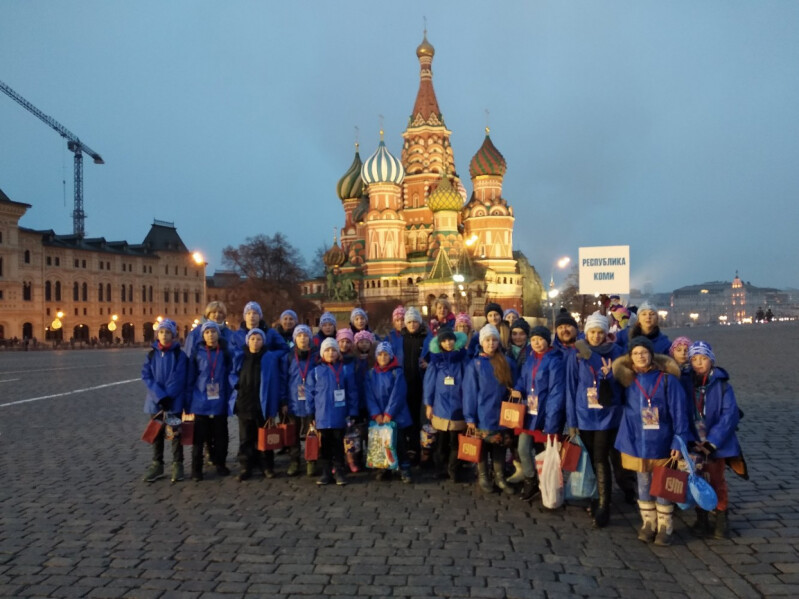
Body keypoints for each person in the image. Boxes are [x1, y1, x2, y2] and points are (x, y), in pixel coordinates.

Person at [613, 336, 689, 546]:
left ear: (651, 355)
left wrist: (679, 440)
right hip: (636, 441)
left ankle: (665, 525)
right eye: (636, 353)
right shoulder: (627, 380)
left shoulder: (667, 380)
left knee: (662, 483)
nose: (640, 356)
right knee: (643, 482)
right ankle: (648, 522)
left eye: (644, 352)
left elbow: (679, 413)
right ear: (630, 357)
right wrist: (605, 378)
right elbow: (611, 400)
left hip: (662, 441)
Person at [564, 313, 625, 526]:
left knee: (600, 457)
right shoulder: (576, 354)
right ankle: (594, 495)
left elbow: (624, 384)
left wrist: (609, 376)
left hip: (608, 414)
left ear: (606, 333)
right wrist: (572, 421)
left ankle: (604, 505)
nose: (596, 336)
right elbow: (571, 387)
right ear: (586, 332)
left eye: (600, 332)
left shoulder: (617, 352)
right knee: (590, 457)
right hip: (584, 414)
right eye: (593, 332)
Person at [683, 341, 742, 539]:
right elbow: (681, 413)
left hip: (716, 444)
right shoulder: (685, 383)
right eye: (694, 359)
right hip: (694, 441)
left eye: (703, 358)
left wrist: (712, 442)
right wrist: (690, 440)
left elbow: (729, 416)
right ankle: (701, 518)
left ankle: (721, 518)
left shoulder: (722, 385)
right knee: (697, 479)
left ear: (711, 360)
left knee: (717, 479)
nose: (699, 363)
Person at [512, 326, 565, 502]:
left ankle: (546, 483)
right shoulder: (530, 359)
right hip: (529, 412)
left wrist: (551, 421)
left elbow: (556, 392)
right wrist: (518, 389)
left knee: (543, 452)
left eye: (540, 339)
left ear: (547, 341)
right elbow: (523, 379)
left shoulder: (555, 361)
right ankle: (530, 479)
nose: (536, 343)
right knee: (523, 448)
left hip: (545, 413)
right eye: (533, 339)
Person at [463, 324, 518, 495]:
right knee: (482, 447)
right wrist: (470, 417)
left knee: (499, 446)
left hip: (502, 413)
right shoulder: (475, 364)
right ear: (482, 342)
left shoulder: (507, 362)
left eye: (494, 340)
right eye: (487, 340)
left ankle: (499, 477)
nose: (491, 343)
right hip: (482, 413)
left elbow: (515, 384)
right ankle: (483, 476)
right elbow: (470, 392)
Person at [231, 328, 282, 481]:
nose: (255, 342)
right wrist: (236, 384)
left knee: (265, 436)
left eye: (259, 339)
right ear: (248, 341)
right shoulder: (241, 356)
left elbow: (275, 382)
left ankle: (266, 465)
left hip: (262, 404)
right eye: (252, 339)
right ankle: (246, 466)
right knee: (245, 437)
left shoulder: (269, 357)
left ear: (263, 342)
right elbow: (232, 373)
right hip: (244, 402)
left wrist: (273, 407)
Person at [186, 321, 235, 481]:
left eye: (213, 332)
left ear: (218, 334)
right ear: (203, 335)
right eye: (207, 332)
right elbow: (190, 378)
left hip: (220, 400)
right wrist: (188, 401)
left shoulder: (225, 352)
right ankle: (196, 469)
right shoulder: (197, 353)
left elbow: (230, 374)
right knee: (198, 438)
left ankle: (220, 463)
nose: (210, 335)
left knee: (221, 435)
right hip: (201, 401)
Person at [141, 319, 188, 483]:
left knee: (175, 433)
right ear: (157, 334)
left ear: (173, 335)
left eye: (168, 332)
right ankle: (157, 464)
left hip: (173, 403)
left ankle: (177, 464)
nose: (164, 335)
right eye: (161, 332)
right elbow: (147, 376)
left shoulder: (179, 355)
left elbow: (179, 378)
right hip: (156, 403)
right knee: (157, 434)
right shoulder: (151, 354)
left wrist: (168, 396)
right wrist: (160, 396)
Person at [308, 338, 359, 486]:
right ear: (322, 353)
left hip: (340, 414)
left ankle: (339, 471)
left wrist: (353, 411)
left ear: (338, 352)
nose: (331, 353)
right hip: (322, 415)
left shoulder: (345, 370)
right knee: (325, 445)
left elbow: (352, 392)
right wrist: (311, 413)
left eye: (333, 350)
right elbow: (310, 394)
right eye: (327, 350)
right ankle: (326, 471)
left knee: (338, 444)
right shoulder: (315, 372)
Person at [423, 329, 469, 482]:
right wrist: (429, 404)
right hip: (440, 405)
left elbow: (468, 382)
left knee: (456, 440)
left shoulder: (462, 358)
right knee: (441, 441)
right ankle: (440, 468)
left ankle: (453, 468)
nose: (448, 343)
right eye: (444, 341)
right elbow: (429, 384)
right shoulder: (435, 361)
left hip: (458, 405)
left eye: (450, 340)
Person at [366, 341, 413, 483]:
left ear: (391, 356)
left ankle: (404, 468)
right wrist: (376, 413)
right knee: (382, 443)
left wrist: (389, 413)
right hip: (379, 416)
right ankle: (384, 467)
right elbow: (369, 395)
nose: (383, 357)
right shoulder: (371, 374)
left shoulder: (397, 372)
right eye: (380, 354)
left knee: (399, 443)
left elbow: (398, 394)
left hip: (396, 415)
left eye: (386, 354)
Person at [280, 324, 319, 477]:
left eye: (305, 335)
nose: (303, 338)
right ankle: (294, 461)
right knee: (293, 433)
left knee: (312, 432)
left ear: (310, 338)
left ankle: (311, 460)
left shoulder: (316, 356)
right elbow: (283, 379)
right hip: (293, 400)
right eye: (299, 336)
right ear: (295, 339)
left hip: (311, 401)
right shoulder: (289, 357)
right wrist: (284, 401)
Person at [398, 307, 431, 464]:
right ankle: (411, 449)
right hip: (405, 384)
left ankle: (424, 450)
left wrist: (428, 364)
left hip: (422, 383)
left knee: (422, 419)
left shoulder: (427, 339)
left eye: (415, 322)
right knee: (408, 418)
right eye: (409, 322)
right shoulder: (401, 339)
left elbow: (434, 357)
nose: (412, 324)